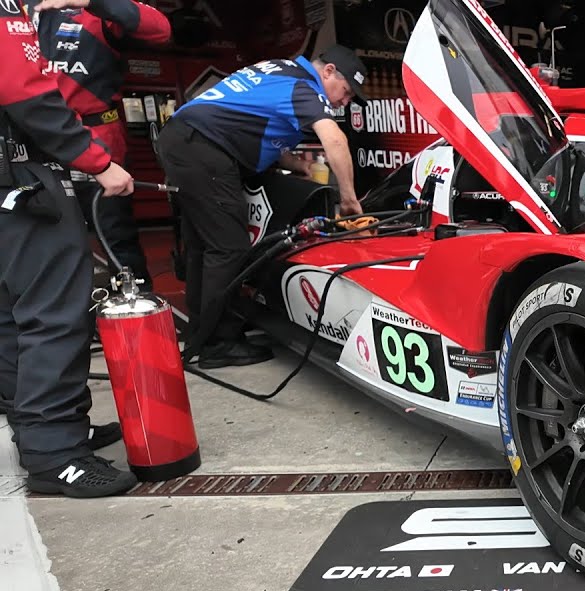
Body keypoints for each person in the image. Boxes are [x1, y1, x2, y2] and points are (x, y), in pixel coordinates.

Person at [155, 46, 367, 369]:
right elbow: (335, 140)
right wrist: (350, 199)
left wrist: (298, 165)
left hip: (184, 138)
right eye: (346, 92)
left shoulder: (279, 69)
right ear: (328, 72)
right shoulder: (305, 87)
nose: (344, 102)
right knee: (229, 248)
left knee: (204, 245)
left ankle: (201, 331)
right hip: (204, 147)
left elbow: (254, 125)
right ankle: (218, 343)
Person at [1, 0, 139, 497]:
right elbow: (26, 88)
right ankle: (57, 455)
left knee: (11, 317)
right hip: (19, 176)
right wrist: (97, 162)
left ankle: (41, 434)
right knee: (52, 312)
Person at [28, 0, 171, 289]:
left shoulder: (93, 8)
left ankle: (137, 308)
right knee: (37, 234)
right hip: (32, 137)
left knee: (115, 232)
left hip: (96, 132)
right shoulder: (13, 12)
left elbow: (161, 29)